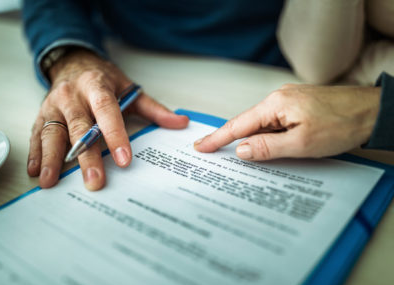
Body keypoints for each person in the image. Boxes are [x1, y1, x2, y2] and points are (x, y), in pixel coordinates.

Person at [22, 0, 394, 191]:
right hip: (134, 58)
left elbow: (324, 61)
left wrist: (377, 109)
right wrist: (69, 57)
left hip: (287, 74)